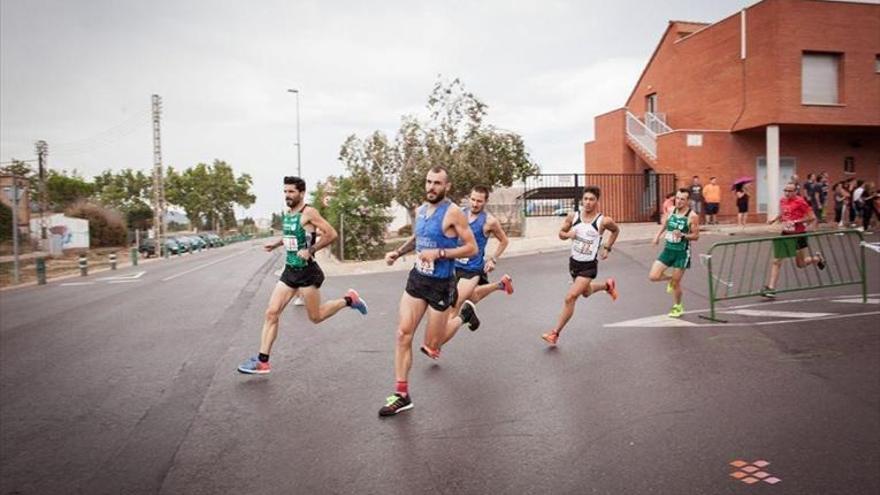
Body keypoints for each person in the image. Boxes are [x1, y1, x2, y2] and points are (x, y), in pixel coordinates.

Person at [238, 176, 368, 375]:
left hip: (307, 272)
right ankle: (263, 361)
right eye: (285, 192)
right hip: (290, 271)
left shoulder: (309, 213)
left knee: (316, 317)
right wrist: (276, 243)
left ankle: (349, 300)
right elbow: (291, 236)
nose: (287, 196)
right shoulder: (289, 213)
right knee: (271, 313)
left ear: (301, 193)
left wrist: (311, 250)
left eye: (291, 192)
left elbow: (331, 234)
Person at [379, 166, 478, 416]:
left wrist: (441, 253)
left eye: (437, 183)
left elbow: (471, 248)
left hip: (441, 284)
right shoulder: (421, 210)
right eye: (428, 182)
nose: (431, 187)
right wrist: (398, 252)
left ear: (447, 186)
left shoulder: (454, 213)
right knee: (403, 334)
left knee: (432, 345)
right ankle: (402, 394)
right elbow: (417, 237)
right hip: (418, 279)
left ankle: (463, 316)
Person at [419, 185, 514, 359]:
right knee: (473, 297)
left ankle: (437, 345)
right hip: (453, 267)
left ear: (485, 201)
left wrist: (493, 259)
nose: (475, 203)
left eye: (479, 201)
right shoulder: (458, 213)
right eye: (473, 199)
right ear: (469, 198)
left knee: (453, 306)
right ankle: (495, 289)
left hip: (472, 270)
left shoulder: (489, 221)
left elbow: (504, 241)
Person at [541, 186, 620, 346]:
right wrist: (568, 234)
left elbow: (616, 231)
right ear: (582, 200)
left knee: (570, 297)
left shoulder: (603, 221)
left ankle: (555, 333)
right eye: (585, 199)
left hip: (589, 266)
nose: (588, 202)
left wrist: (607, 247)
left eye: (592, 199)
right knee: (586, 292)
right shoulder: (573, 217)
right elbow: (561, 234)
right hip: (574, 264)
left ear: (597, 201)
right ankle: (607, 286)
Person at [761, 184, 826, 299]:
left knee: (800, 264)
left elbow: (812, 217)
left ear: (795, 191)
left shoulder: (801, 202)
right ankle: (771, 288)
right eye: (785, 190)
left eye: (790, 191)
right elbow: (784, 213)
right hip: (786, 234)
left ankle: (816, 259)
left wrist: (798, 221)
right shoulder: (782, 201)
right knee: (776, 261)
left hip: (799, 235)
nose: (787, 193)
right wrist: (774, 219)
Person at [649, 188, 700, 318]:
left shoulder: (692, 216)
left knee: (676, 284)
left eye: (682, 199)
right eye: (677, 198)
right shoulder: (671, 210)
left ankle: (678, 306)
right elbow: (665, 224)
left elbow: (696, 236)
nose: (679, 201)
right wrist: (657, 236)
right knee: (653, 276)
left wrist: (683, 235)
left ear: (687, 201)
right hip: (668, 249)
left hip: (682, 253)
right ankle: (671, 279)